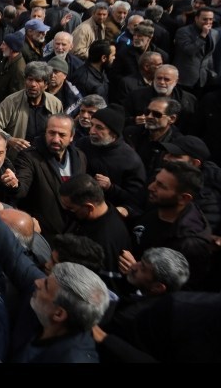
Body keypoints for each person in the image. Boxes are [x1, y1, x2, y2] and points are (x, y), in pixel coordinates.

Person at [0, 147, 110, 363]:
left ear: (59, 314)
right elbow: (9, 251)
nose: (38, 281)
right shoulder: (48, 296)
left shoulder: (71, 358)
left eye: (45, 286)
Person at [122, 160, 215, 291]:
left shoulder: (190, 243)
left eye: (161, 186)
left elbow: (183, 290)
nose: (151, 187)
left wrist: (137, 272)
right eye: (155, 181)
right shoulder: (161, 203)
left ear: (184, 198)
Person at [14, 114, 87, 238]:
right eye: (52, 133)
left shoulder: (80, 157)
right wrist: (14, 186)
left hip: (73, 233)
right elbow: (21, 188)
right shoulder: (29, 157)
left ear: (71, 137)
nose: (55, 139)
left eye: (62, 135)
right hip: (43, 234)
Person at [58, 174, 133, 291]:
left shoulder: (105, 240)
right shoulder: (87, 217)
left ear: (89, 207)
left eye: (70, 208)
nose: (67, 212)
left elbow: (105, 288)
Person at [76, 105, 147, 217]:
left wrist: (111, 188)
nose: (91, 131)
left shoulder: (130, 160)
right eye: (92, 125)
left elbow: (135, 199)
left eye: (99, 127)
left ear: (113, 133)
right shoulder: (82, 144)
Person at [0, 61, 64, 159]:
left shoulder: (55, 103)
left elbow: (62, 129)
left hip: (46, 158)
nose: (33, 84)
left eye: (38, 81)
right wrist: (9, 139)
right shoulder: (12, 101)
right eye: (30, 79)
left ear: (46, 85)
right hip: (18, 158)